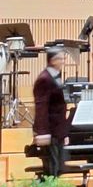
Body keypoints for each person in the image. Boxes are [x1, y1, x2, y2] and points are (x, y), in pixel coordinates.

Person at [32, 47, 69, 177]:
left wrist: (64, 133)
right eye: (61, 58)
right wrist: (43, 133)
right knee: (52, 171)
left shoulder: (54, 76)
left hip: (57, 132)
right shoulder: (45, 79)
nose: (63, 61)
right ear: (53, 60)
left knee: (58, 169)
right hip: (49, 133)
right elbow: (41, 107)